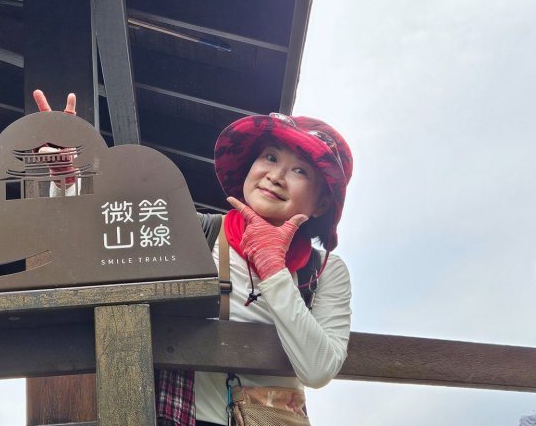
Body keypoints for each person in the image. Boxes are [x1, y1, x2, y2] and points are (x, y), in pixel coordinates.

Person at [32, 91, 353, 426]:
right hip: (182, 416)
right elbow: (92, 242)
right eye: (270, 157)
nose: (275, 175)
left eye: (299, 170)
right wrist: (68, 181)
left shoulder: (327, 271)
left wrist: (272, 267)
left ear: (321, 204)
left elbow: (318, 369)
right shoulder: (190, 230)